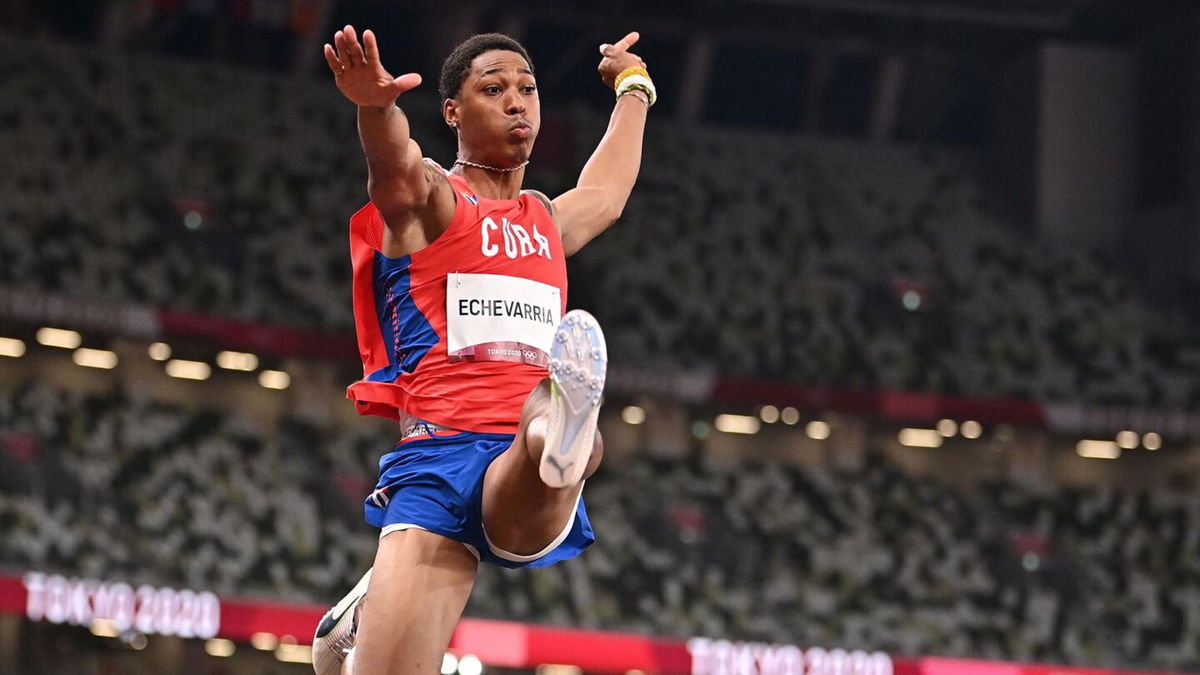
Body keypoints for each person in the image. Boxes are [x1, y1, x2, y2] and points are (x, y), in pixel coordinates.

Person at [311, 24, 653, 675]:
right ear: (452, 112)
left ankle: (562, 435)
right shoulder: (440, 202)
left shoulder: (547, 221)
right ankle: (561, 438)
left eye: (527, 89)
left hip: (515, 463)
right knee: (346, 668)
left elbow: (607, 193)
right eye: (493, 89)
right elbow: (397, 172)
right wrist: (375, 107)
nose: (517, 101)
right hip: (437, 457)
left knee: (543, 432)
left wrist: (634, 87)